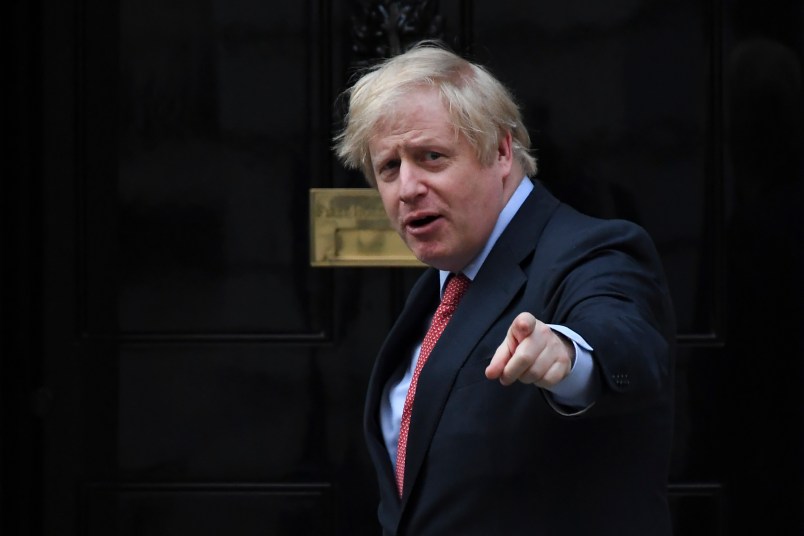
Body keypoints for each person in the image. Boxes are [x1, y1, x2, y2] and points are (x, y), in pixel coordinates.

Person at [334, 41, 676, 536]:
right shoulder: (441, 285)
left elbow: (624, 337)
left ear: (500, 151)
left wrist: (569, 354)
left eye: (431, 157)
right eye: (389, 167)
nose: (407, 187)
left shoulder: (593, 250)